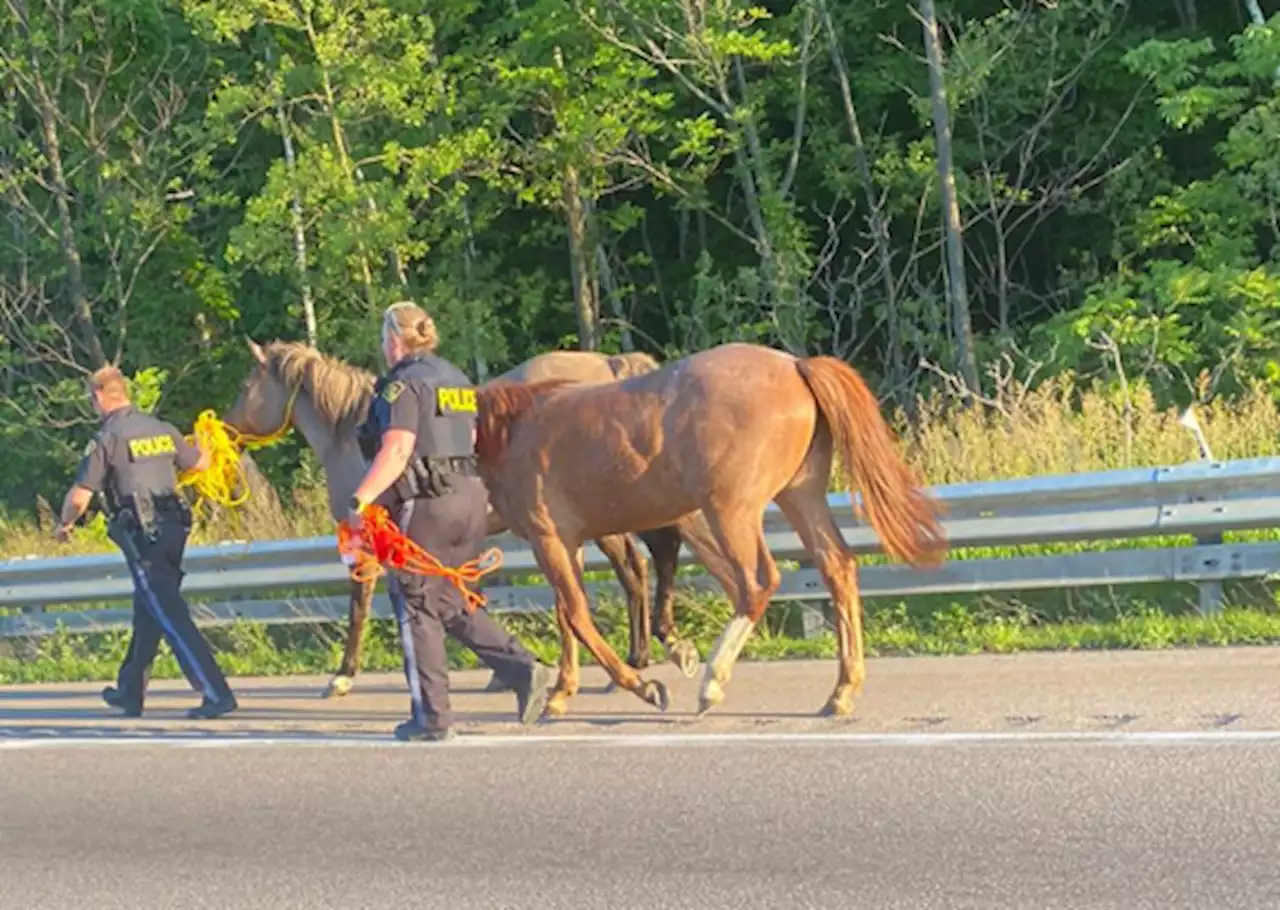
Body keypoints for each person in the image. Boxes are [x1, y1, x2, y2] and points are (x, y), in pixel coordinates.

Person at [350, 300, 555, 742]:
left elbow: (398, 449)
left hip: (425, 503)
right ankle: (526, 670)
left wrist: (361, 499)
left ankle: (432, 718)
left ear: (393, 339)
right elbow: (475, 437)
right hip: (470, 497)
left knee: (415, 603)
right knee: (449, 601)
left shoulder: (401, 387)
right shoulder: (458, 380)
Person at [55, 365, 239, 721]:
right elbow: (200, 463)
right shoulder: (161, 428)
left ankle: (216, 692)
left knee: (170, 615)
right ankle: (130, 691)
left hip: (144, 537)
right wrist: (203, 441)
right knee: (148, 610)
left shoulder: (107, 438)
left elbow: (80, 497)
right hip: (175, 530)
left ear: (98, 397)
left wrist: (65, 525)